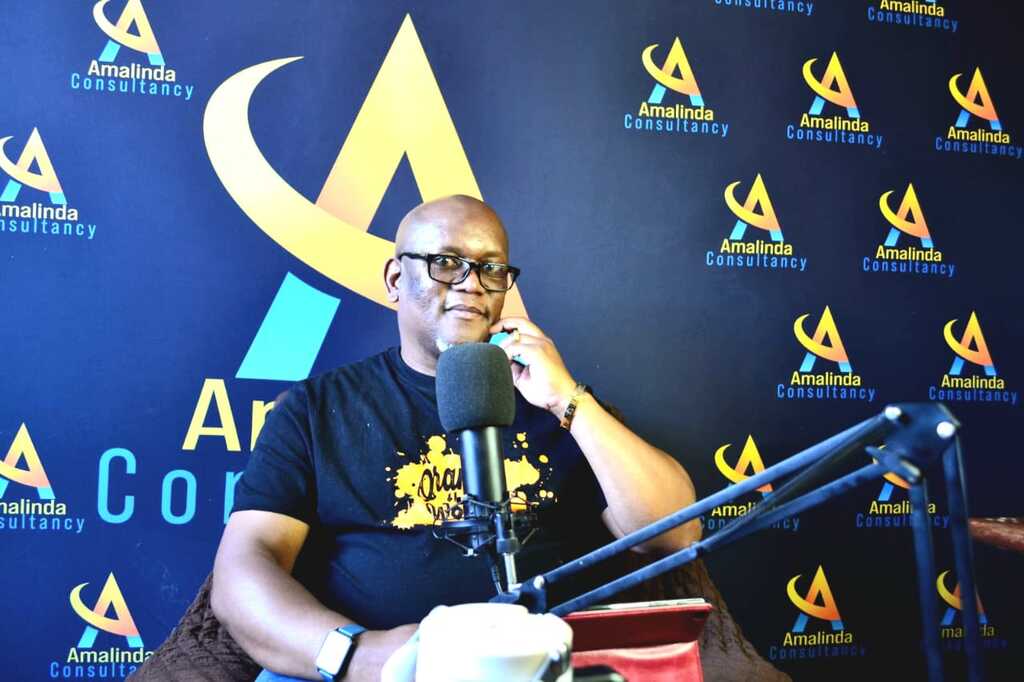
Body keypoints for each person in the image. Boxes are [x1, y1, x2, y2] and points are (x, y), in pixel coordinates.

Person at [211, 195, 701, 681]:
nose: (471, 284)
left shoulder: (558, 403)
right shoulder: (316, 408)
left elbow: (674, 534)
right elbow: (244, 568)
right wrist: (360, 656)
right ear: (395, 280)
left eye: (491, 269)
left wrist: (568, 400)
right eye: (446, 262)